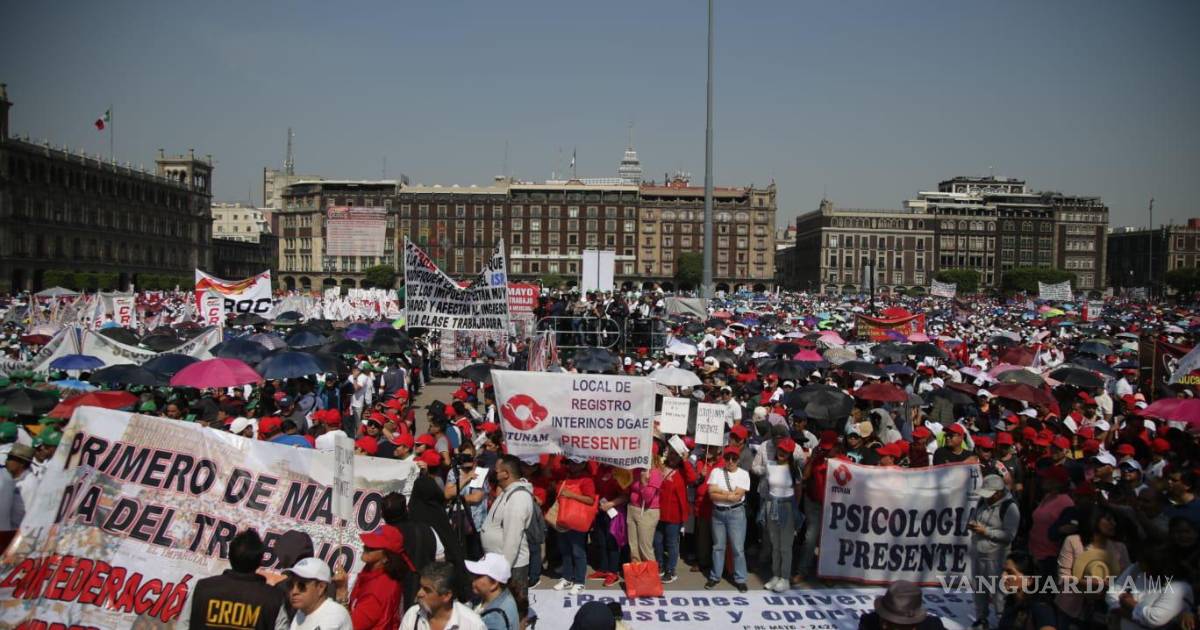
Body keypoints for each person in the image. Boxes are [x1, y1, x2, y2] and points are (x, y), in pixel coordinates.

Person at [188, 529, 289, 630]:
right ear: (260, 560)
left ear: (230, 556)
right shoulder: (274, 598)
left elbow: (184, 625)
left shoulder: (202, 588)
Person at [1054, 504, 1129, 629]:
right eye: (1108, 519)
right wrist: (1089, 583)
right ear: (1094, 520)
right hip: (1071, 610)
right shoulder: (1073, 541)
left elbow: (1128, 580)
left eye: (1114, 520)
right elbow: (1063, 578)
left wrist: (1110, 584)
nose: (1113, 524)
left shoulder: (1120, 548)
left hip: (1105, 612)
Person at [334, 525, 409, 630]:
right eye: (367, 543)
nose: (365, 547)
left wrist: (342, 591)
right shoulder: (374, 572)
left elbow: (349, 627)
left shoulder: (377, 591)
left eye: (372, 547)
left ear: (386, 557)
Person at [969, 475, 1019, 630]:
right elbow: (974, 517)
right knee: (979, 589)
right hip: (978, 554)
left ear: (998, 493)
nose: (986, 497)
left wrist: (986, 532)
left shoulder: (1010, 507)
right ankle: (981, 618)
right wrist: (973, 525)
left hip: (997, 557)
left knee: (999, 593)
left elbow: (1009, 535)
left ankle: (1002, 620)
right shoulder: (982, 502)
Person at [1104, 544, 1193, 630]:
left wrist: (1132, 605)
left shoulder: (1178, 587)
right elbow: (1112, 594)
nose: (1140, 566)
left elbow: (1154, 619)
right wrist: (1119, 609)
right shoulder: (1137, 568)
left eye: (1145, 565)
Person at [481, 455, 535, 591]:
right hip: (500, 563)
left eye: (496, 471)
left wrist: (502, 571)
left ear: (505, 474)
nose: (494, 473)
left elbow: (513, 538)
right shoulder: (507, 492)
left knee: (513, 602)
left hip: (511, 567)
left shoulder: (518, 497)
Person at [705, 445, 750, 592]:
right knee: (718, 547)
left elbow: (737, 497)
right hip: (718, 513)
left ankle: (740, 579)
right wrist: (728, 494)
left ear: (738, 460)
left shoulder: (743, 474)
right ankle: (715, 576)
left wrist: (720, 492)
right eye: (727, 458)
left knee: (737, 548)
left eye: (734, 458)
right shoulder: (716, 471)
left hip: (736, 513)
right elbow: (711, 494)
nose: (730, 461)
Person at [760, 436, 802, 593]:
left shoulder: (795, 469)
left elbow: (798, 492)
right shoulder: (770, 465)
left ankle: (785, 578)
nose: (782, 452)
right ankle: (776, 575)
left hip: (787, 508)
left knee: (785, 546)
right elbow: (766, 488)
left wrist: (794, 511)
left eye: (785, 451)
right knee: (775, 544)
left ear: (790, 453)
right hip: (771, 506)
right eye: (780, 449)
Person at [398, 561, 486, 630]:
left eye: (427, 590)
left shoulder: (472, 624)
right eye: (420, 587)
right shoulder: (412, 615)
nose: (419, 593)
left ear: (447, 596)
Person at [285, 557, 351, 630]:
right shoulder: (301, 613)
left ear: (321, 587)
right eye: (290, 585)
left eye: (302, 586)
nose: (294, 591)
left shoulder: (333, 614)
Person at [857, 580, 947, 629]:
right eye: (883, 619)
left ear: (913, 627)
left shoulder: (933, 627)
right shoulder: (869, 624)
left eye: (892, 624)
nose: (884, 626)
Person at [467, 553, 520, 630]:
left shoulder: (496, 620)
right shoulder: (485, 596)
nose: (472, 578)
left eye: (478, 576)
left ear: (494, 584)